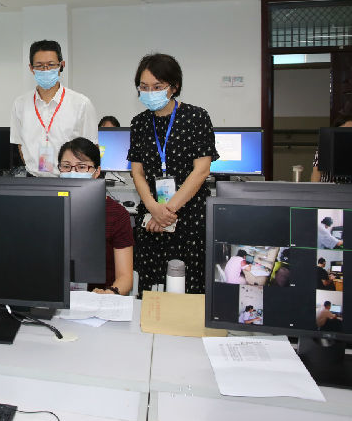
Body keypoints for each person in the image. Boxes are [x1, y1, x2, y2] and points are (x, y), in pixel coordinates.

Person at [128, 53, 218, 295]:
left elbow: (202, 170)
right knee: (152, 293)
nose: (150, 92)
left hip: (189, 218)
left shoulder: (197, 117)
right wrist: (153, 208)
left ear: (174, 86)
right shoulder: (139, 123)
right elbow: (137, 172)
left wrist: (166, 211)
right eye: (144, 87)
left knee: (189, 291)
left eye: (157, 86)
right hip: (152, 221)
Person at [56, 138, 134, 295]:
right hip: (55, 296)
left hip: (99, 297)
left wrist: (108, 294)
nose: (73, 172)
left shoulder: (117, 215)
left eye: (81, 167)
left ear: (97, 171)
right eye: (66, 166)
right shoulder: (51, 208)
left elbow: (125, 277)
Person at [11, 40, 98, 177]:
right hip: (32, 179)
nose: (45, 70)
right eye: (39, 66)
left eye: (51, 65)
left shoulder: (81, 103)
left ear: (61, 65)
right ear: (31, 68)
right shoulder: (20, 104)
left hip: (69, 179)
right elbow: (20, 145)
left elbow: (92, 149)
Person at [310, 115, 352, 182]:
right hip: (328, 186)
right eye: (345, 131)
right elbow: (316, 172)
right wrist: (314, 187)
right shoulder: (325, 147)